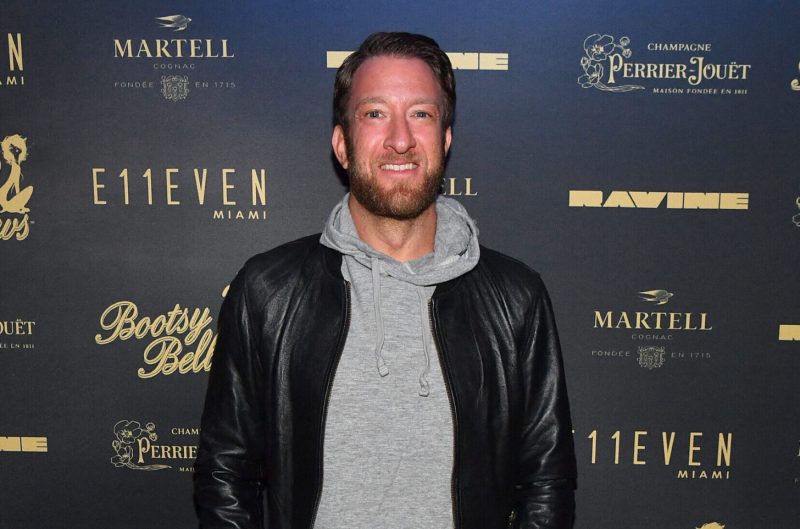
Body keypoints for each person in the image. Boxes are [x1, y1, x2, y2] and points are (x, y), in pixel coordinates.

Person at [194, 31, 577, 529]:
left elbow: (545, 482)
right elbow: (227, 473)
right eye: (375, 113)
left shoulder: (515, 297)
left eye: (421, 113)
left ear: (445, 140)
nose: (400, 138)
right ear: (342, 144)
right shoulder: (269, 291)